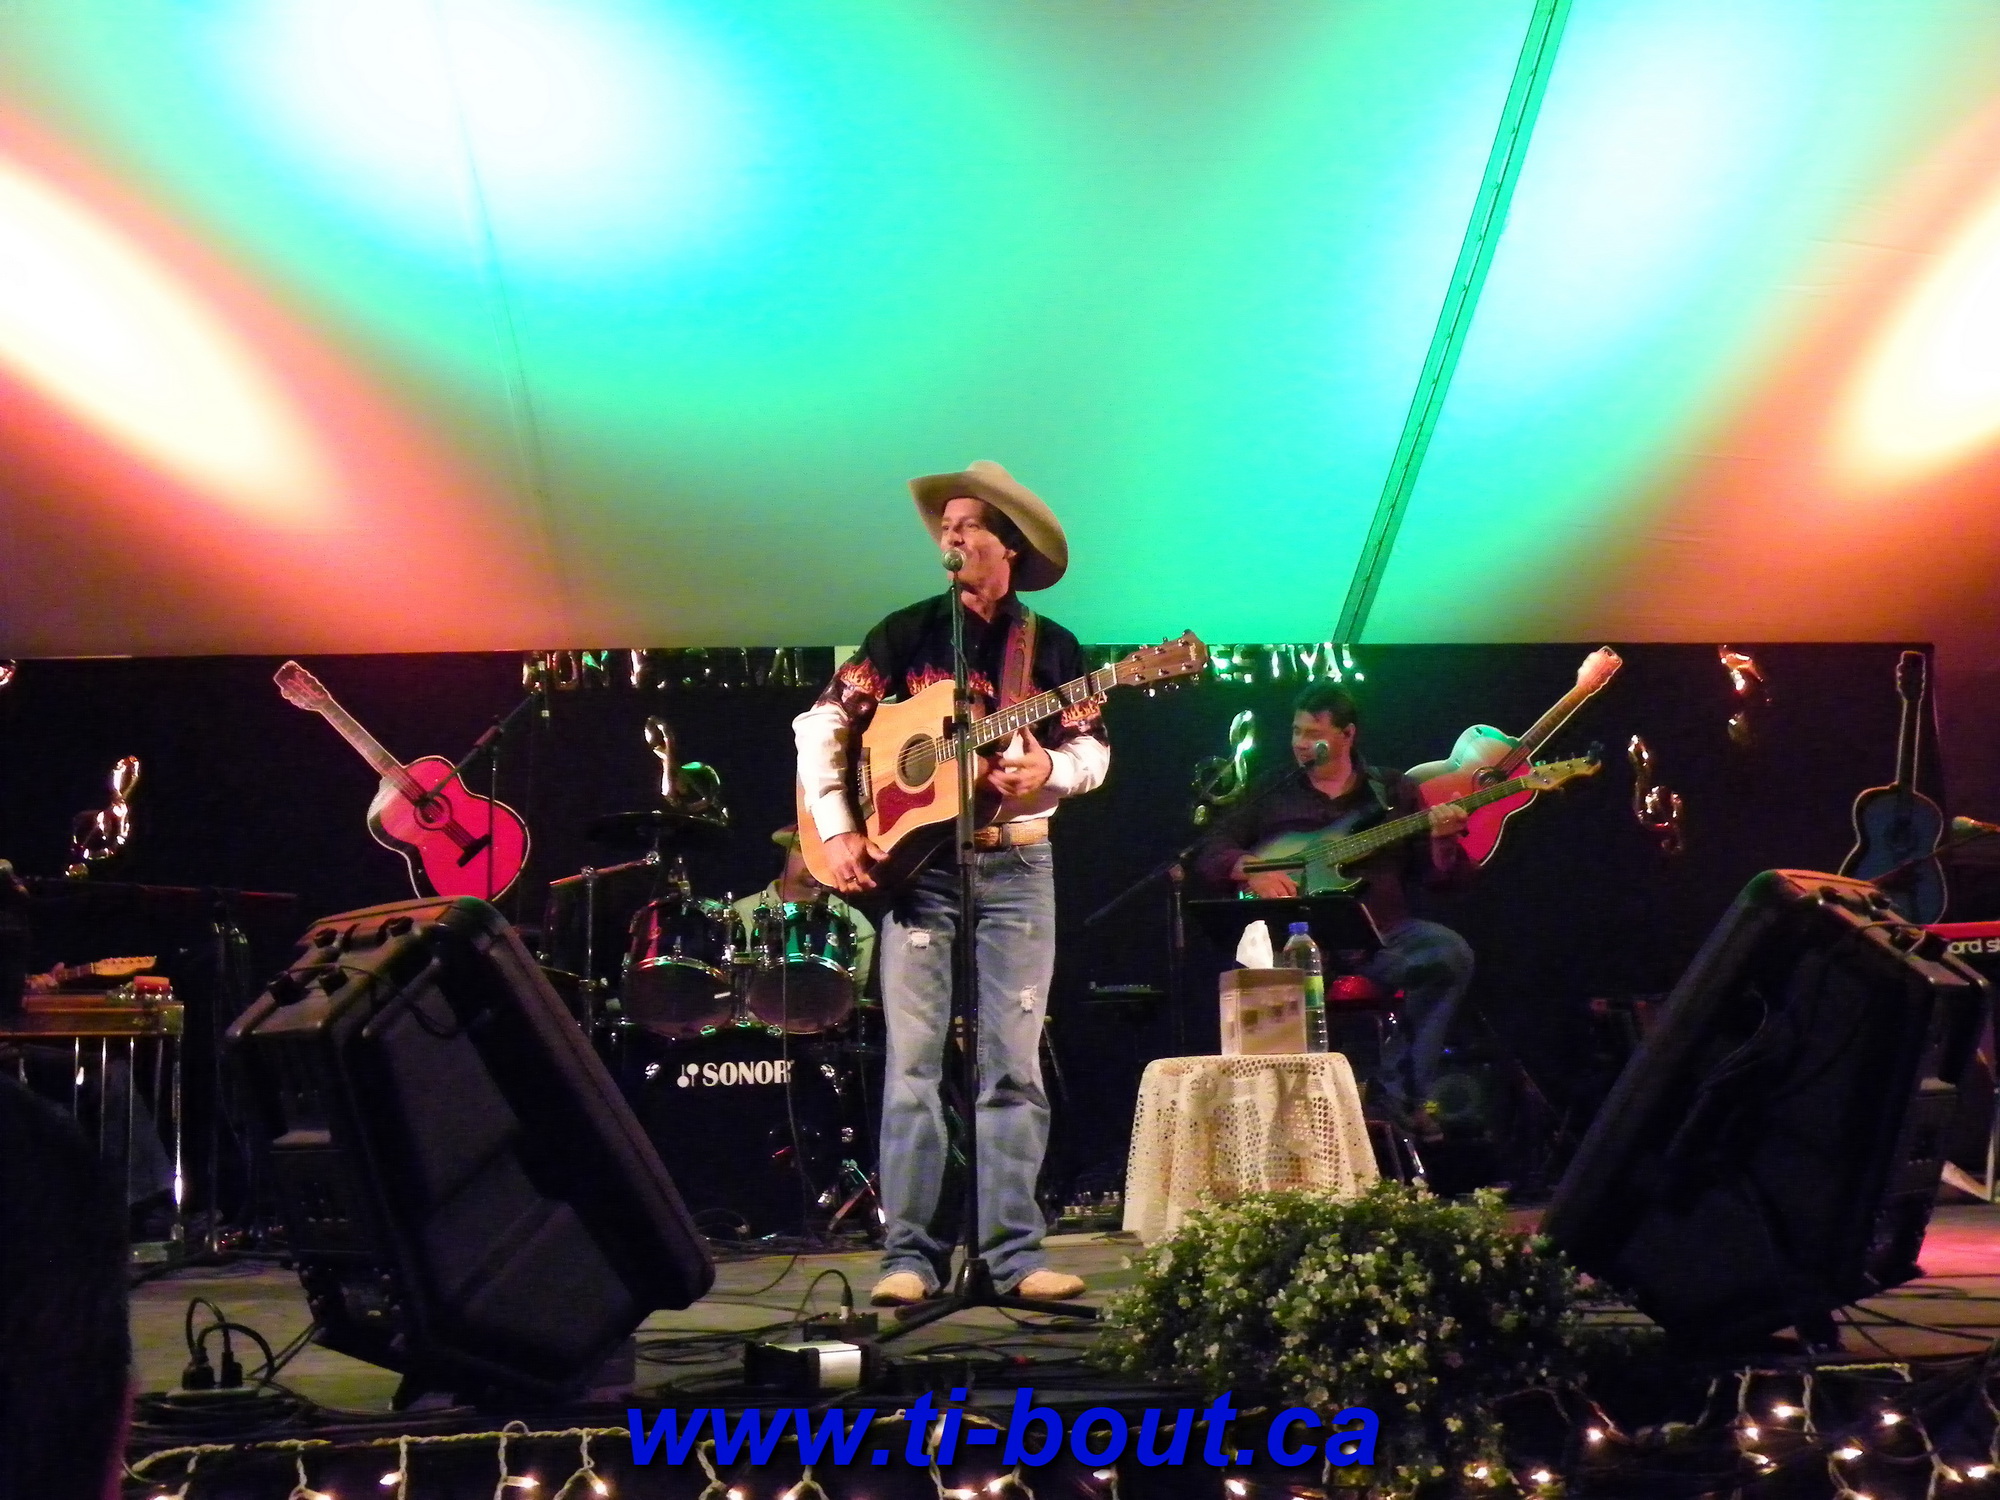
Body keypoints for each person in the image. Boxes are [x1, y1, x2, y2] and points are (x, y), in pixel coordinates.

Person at [794, 461, 1108, 1306]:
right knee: (914, 1065)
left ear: (1009, 545)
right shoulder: (906, 634)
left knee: (1011, 1066)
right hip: (920, 871)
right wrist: (840, 826)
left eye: (969, 525)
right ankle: (910, 1257)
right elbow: (823, 722)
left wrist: (1048, 769)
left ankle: (1013, 1257)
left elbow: (1093, 750)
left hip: (1019, 863)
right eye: (947, 526)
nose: (952, 536)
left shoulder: (1055, 650)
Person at [1195, 683, 1475, 1129]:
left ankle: (1396, 1099)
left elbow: (1439, 878)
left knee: (1448, 953)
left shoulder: (1392, 790)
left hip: (1381, 938)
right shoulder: (1272, 790)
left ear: (1348, 735)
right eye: (1296, 732)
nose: (1300, 743)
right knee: (1255, 970)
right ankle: (1280, 1115)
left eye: (1314, 734)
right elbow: (1213, 849)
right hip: (1292, 940)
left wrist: (1442, 841)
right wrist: (1253, 871)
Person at [729, 823, 877, 1002]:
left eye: (825, 853)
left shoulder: (855, 920)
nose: (816, 861)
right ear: (785, 855)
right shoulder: (741, 911)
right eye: (805, 850)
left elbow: (855, 997)